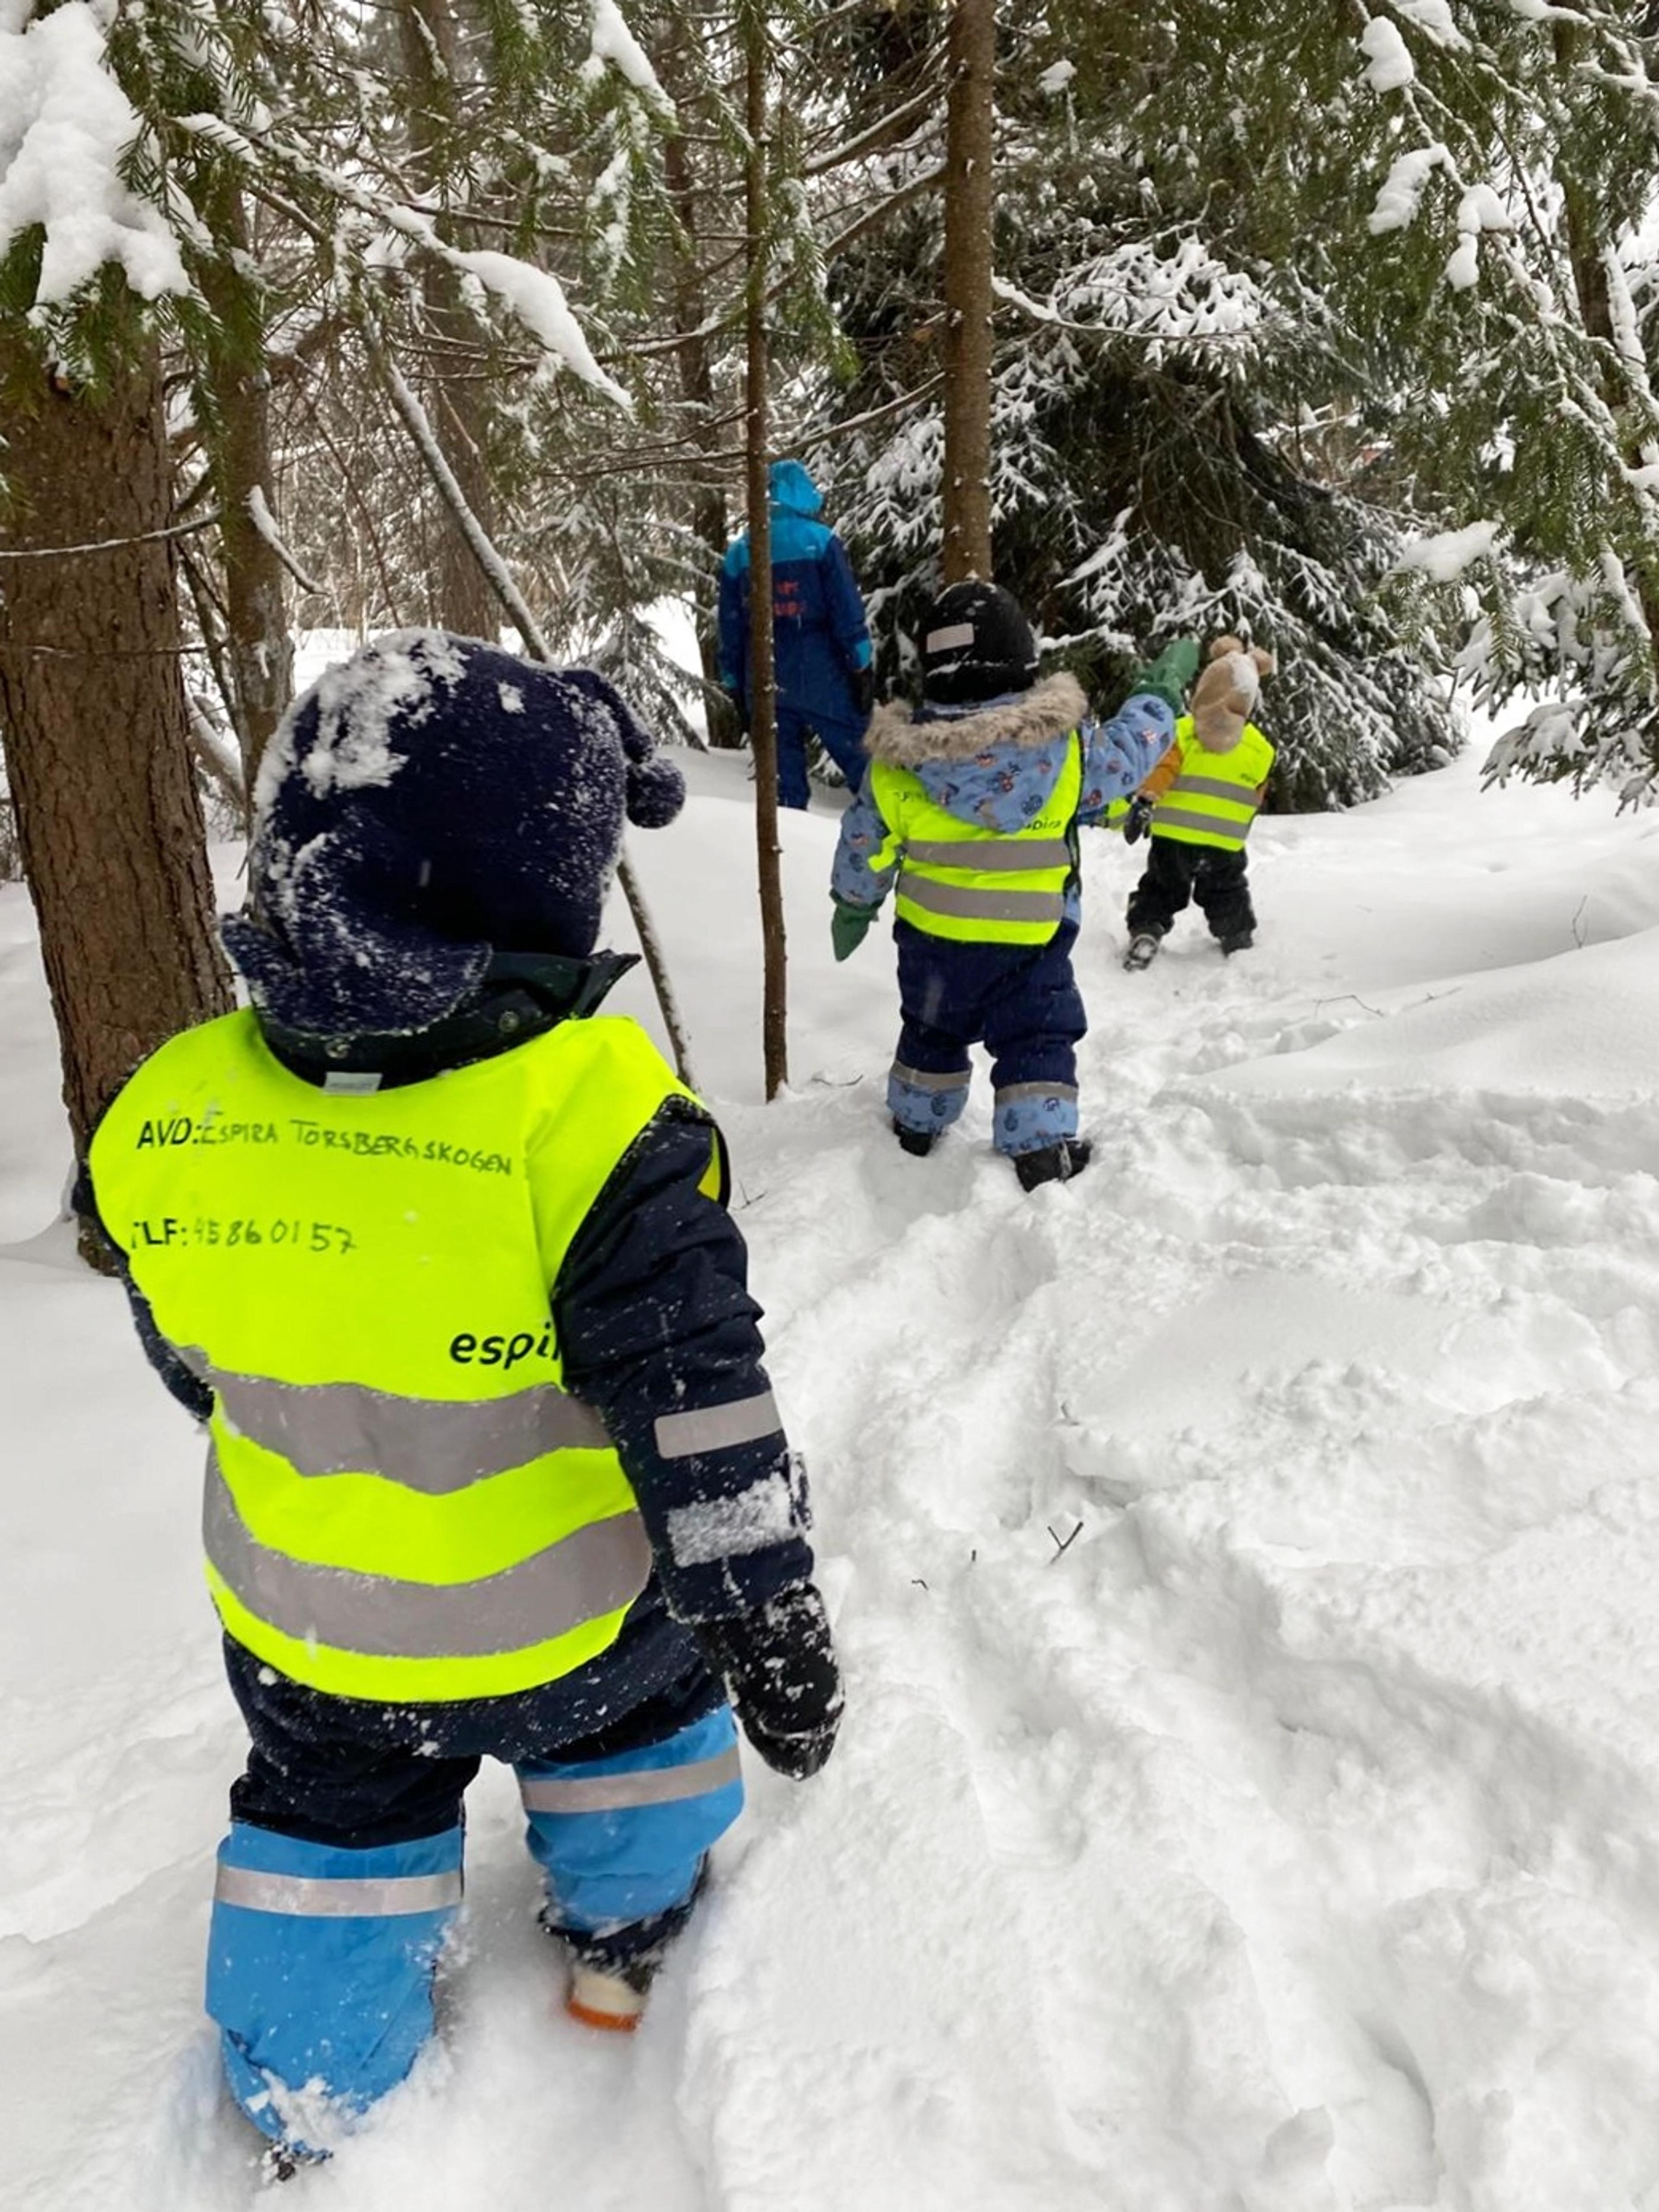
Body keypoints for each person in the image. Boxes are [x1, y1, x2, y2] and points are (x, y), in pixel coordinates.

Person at [79, 631, 842, 2169]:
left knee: (323, 1825)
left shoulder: (172, 1105)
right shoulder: (587, 1119)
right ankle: (627, 1922)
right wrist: (765, 1614)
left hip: (312, 1626)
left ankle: (315, 2075)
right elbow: (698, 1407)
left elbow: (188, 1338)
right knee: (644, 1726)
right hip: (573, 1626)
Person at [827, 579, 1195, 1189]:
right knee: (1036, 1038)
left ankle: (916, 1124)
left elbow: (864, 841)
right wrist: (1158, 696)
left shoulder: (898, 767)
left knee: (930, 1029)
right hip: (1030, 947)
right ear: (1022, 663)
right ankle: (1040, 1148)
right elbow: (1132, 754)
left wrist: (853, 901)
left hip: (932, 947)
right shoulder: (1068, 754)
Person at [718, 458, 874, 809]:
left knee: (783, 787)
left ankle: (790, 839)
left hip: (764, 674)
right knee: (866, 768)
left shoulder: (741, 551)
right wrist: (861, 665)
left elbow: (730, 627)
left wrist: (735, 682)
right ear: (804, 493)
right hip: (823, 671)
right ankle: (889, 831)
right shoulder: (820, 541)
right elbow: (846, 609)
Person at [1122, 635, 1276, 970]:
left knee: (1162, 887)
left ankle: (1148, 929)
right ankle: (1237, 935)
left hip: (1174, 836)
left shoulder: (1182, 732)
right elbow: (1256, 795)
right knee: (1227, 890)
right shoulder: (1260, 747)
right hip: (1224, 841)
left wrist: (1144, 802)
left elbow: (1162, 771)